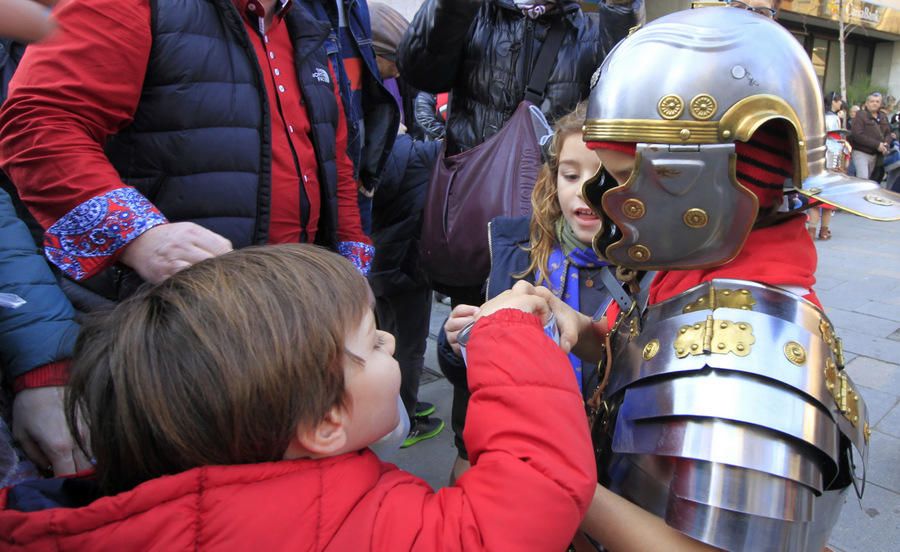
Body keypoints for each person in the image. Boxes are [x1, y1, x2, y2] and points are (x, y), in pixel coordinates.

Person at [557, 7, 893, 550]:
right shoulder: (690, 270)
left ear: (699, 184)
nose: (607, 200)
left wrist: (562, 477)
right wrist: (579, 328)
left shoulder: (746, 344)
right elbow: (656, 363)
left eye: (622, 178)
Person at [0, 245, 597, 551]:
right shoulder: (343, 528)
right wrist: (508, 333)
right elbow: (530, 495)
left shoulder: (169, 502)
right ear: (324, 422)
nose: (391, 340)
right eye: (371, 340)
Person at [0, 0, 374, 309]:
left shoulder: (303, 26)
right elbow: (39, 122)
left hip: (292, 308)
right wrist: (139, 236)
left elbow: (333, 160)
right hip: (173, 322)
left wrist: (352, 269)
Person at [398, 0, 643, 307]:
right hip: (473, 207)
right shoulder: (476, 14)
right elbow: (420, 71)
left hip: (550, 217)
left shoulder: (586, 32)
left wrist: (619, 10)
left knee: (542, 314)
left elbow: (626, 98)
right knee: (467, 324)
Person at [439, 103, 617, 480]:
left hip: (608, 461)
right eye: (571, 175)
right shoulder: (517, 251)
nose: (585, 190)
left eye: (606, 176)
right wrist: (457, 343)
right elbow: (478, 378)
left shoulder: (649, 269)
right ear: (552, 179)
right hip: (519, 453)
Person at [367, 2, 444, 447]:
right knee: (408, 344)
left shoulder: (382, 126)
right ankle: (407, 416)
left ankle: (400, 403)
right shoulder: (411, 153)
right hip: (408, 263)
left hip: (381, 258)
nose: (397, 71)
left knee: (386, 334)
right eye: (392, 62)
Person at [302, 0, 400, 235]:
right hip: (318, 186)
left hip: (355, 183)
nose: (398, 73)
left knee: (353, 267)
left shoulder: (356, 7)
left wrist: (368, 176)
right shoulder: (296, 10)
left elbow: (360, 99)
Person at [812, 91, 846, 240]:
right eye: (839, 101)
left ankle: (811, 230)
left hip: (816, 156)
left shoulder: (817, 115)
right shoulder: (833, 118)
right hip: (831, 155)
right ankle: (823, 230)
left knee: (814, 195)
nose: (840, 103)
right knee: (828, 196)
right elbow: (835, 138)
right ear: (834, 101)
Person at [850, 92, 892, 180]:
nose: (875, 103)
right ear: (867, 103)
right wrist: (877, 145)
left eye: (877, 101)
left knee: (870, 181)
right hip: (861, 153)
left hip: (876, 155)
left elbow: (888, 133)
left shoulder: (883, 117)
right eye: (872, 101)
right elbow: (857, 135)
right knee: (863, 179)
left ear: (880, 103)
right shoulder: (860, 115)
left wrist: (886, 144)